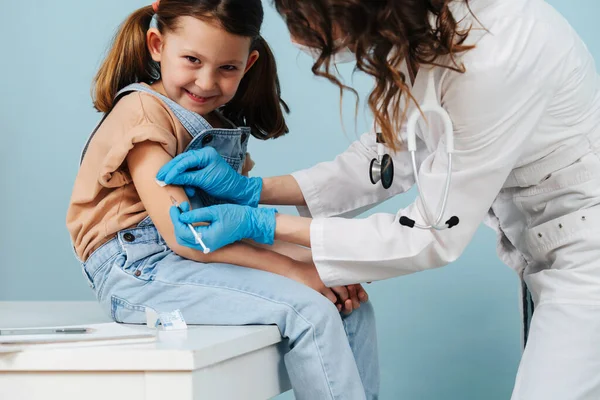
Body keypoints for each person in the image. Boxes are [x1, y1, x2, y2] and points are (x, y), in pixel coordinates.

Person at [157, 0, 600, 398]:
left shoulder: (496, 55)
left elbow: (430, 233)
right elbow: (382, 160)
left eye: (302, 18)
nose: (293, 36)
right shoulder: (427, 30)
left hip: (586, 258)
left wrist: (264, 223)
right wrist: (255, 190)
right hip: (543, 251)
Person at [65, 1, 380, 399]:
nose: (206, 82)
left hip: (194, 261)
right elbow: (186, 236)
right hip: (139, 271)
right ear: (157, 45)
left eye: (226, 68)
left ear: (248, 64)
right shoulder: (142, 114)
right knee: (309, 310)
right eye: (192, 60)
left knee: (348, 301)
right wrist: (293, 269)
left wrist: (322, 261)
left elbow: (236, 226)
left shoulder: (215, 124)